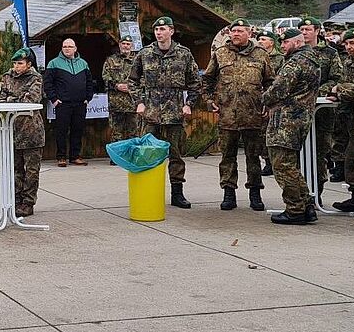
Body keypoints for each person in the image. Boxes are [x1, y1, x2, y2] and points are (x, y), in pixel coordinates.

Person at [129, 16, 201, 208]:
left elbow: (195, 82)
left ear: (171, 31)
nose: (159, 33)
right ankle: (146, 190)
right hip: (150, 114)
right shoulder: (145, 54)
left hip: (174, 113)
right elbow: (133, 81)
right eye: (156, 30)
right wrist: (139, 102)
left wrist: (189, 104)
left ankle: (177, 194)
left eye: (163, 30)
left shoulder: (184, 54)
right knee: (146, 153)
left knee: (176, 155)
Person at [203, 19, 273, 211]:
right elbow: (207, 80)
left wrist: (267, 103)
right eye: (233, 31)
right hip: (227, 115)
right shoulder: (220, 54)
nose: (236, 34)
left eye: (240, 31)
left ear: (249, 33)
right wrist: (210, 102)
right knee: (227, 156)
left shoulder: (261, 54)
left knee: (253, 156)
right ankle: (228, 192)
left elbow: (270, 82)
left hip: (253, 115)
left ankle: (255, 193)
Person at [261, 28, 320, 225]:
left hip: (286, 120)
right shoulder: (312, 59)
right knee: (290, 165)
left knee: (282, 166)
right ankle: (307, 205)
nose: (283, 47)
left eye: (285, 43)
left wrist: (264, 99)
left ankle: (295, 209)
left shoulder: (295, 62)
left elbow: (278, 89)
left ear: (296, 42)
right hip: (301, 118)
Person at [0, 48, 45, 217]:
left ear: (29, 64)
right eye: (15, 63)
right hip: (12, 129)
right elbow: (0, 99)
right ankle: (16, 200)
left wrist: (12, 99)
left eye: (20, 63)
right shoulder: (7, 77)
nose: (16, 67)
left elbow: (31, 100)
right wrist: (15, 99)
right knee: (16, 169)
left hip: (32, 131)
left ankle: (28, 203)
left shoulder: (36, 78)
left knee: (31, 171)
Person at [298, 17, 342, 190]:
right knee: (299, 154)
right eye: (301, 29)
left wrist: (318, 93)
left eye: (308, 29)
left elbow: (336, 78)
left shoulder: (330, 53)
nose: (304, 32)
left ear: (317, 31)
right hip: (300, 111)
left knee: (320, 153)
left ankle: (318, 192)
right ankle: (302, 193)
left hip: (321, 111)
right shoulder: (296, 52)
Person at [329, 29, 354, 213]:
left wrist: (340, 89)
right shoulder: (348, 63)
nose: (349, 47)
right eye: (346, 44)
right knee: (351, 160)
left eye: (353, 43)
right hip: (350, 120)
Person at [43, 38, 94, 166]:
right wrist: (54, 99)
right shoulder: (53, 63)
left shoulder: (83, 63)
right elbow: (47, 83)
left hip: (80, 103)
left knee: (78, 130)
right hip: (63, 104)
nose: (67, 48)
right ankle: (61, 157)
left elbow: (89, 82)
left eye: (70, 46)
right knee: (61, 131)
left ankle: (75, 156)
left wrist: (88, 98)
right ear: (61, 48)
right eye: (65, 46)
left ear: (75, 48)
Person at [102, 35, 139, 162]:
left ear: (132, 46)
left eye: (128, 44)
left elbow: (144, 78)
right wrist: (116, 85)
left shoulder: (137, 60)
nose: (125, 46)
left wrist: (132, 87)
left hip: (133, 103)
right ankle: (116, 158)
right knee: (116, 132)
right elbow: (105, 78)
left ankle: (132, 157)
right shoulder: (111, 60)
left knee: (133, 132)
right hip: (116, 103)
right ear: (119, 45)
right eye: (123, 44)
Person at [255, 28, 282, 177]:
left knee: (270, 132)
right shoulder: (256, 57)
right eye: (259, 40)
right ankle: (266, 161)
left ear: (271, 43)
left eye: (264, 40)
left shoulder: (279, 58)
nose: (260, 42)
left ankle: (272, 161)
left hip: (272, 100)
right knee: (260, 134)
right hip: (258, 99)